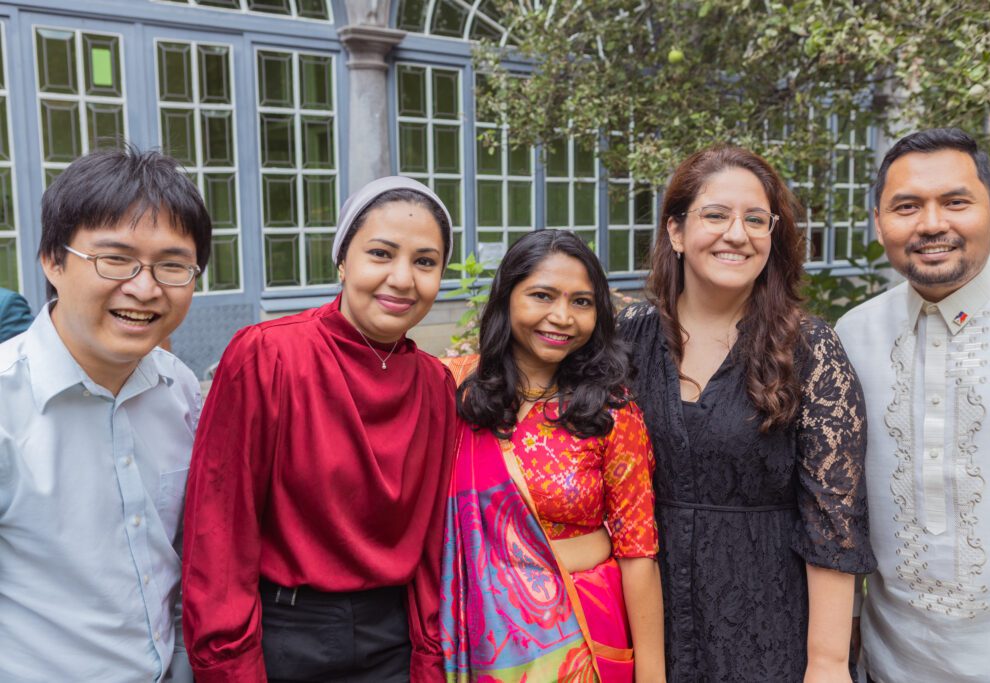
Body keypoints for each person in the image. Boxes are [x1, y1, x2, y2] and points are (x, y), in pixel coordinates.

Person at [182, 176, 458, 682]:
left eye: (424, 262)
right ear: (342, 260)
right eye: (380, 253)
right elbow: (220, 530)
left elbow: (434, 546)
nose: (402, 278)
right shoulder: (268, 356)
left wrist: (429, 658)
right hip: (285, 636)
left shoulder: (435, 385)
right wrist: (230, 669)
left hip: (392, 640)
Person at [617, 145, 876, 682]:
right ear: (676, 232)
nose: (737, 233)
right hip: (643, 621)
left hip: (767, 623)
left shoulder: (809, 350)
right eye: (715, 215)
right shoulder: (626, 338)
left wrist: (826, 664)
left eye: (756, 220)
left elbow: (832, 521)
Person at [0, 146, 211, 681]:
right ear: (53, 259)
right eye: (115, 259)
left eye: (173, 265)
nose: (145, 287)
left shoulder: (179, 388)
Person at [836, 128, 990, 682]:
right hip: (888, 665)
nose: (932, 223)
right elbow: (836, 508)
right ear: (878, 222)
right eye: (907, 206)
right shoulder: (852, 336)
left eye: (956, 202)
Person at [441, 229, 665, 682]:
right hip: (475, 635)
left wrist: (652, 676)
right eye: (542, 295)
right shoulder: (453, 390)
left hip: (581, 636)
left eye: (582, 302)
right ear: (506, 298)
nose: (562, 317)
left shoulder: (611, 411)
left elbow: (637, 551)